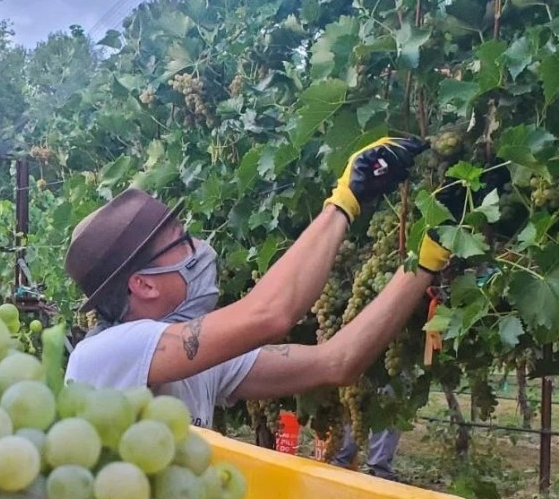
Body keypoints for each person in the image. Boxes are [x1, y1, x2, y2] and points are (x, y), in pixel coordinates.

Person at [63, 136, 458, 430]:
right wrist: (345, 201)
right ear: (144, 285)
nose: (200, 247)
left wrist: (425, 261)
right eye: (183, 240)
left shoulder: (198, 361)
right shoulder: (106, 354)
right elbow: (270, 314)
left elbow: (337, 362)